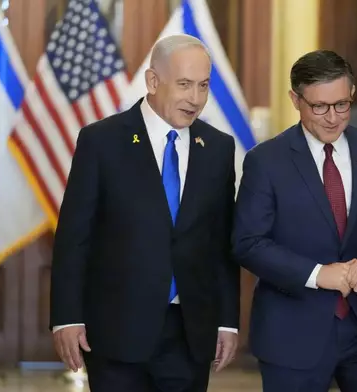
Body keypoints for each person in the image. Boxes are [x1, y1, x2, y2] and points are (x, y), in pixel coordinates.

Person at [49, 34, 240, 392]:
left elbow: (220, 245)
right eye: (184, 85)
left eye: (203, 86)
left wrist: (227, 322)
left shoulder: (217, 148)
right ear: (153, 81)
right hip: (116, 331)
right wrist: (66, 317)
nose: (195, 99)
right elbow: (74, 238)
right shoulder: (101, 141)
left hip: (190, 332)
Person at [232, 50, 357, 391]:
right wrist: (319, 274)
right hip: (292, 332)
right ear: (296, 99)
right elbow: (248, 243)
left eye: (342, 105)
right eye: (319, 106)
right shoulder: (266, 161)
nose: (333, 118)